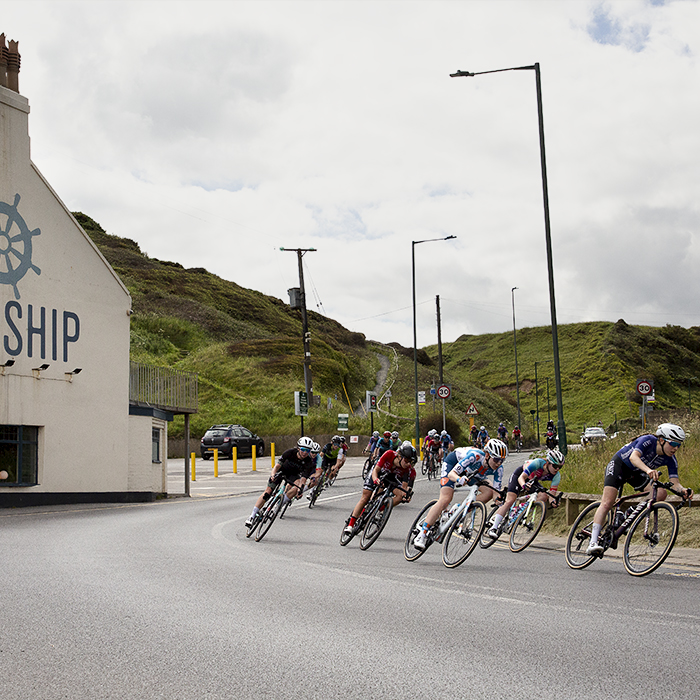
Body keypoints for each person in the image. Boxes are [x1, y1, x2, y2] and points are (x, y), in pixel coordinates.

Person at [585, 423, 694, 556]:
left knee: (660, 493)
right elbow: (633, 457)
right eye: (673, 444)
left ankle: (630, 512)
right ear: (661, 439)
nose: (675, 448)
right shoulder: (648, 440)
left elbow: (675, 483)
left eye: (679, 445)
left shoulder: (670, 459)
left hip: (636, 473)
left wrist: (683, 491)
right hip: (620, 465)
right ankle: (593, 542)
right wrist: (649, 470)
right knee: (607, 502)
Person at [413, 438, 508, 550]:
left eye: (502, 460)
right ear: (487, 455)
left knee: (488, 491)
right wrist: (459, 479)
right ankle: (422, 534)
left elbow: (495, 492)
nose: (498, 463)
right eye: (496, 459)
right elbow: (452, 474)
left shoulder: (499, 469)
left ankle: (459, 510)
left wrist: (500, 500)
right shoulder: (475, 456)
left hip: (472, 473)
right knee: (446, 499)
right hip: (453, 465)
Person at [343, 441, 417, 536]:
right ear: (399, 456)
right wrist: (375, 479)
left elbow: (404, 487)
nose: (408, 464)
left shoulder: (407, 468)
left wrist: (406, 495)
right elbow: (376, 470)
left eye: (410, 462)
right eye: (407, 460)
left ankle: (380, 507)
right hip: (377, 472)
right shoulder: (389, 454)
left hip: (388, 477)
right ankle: (350, 524)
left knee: (399, 495)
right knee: (365, 497)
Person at [487, 448, 564, 538]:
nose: (557, 469)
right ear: (548, 463)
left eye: (560, 467)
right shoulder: (538, 463)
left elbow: (552, 494)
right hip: (520, 476)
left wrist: (553, 502)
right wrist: (523, 485)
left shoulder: (557, 476)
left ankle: (521, 508)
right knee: (510, 500)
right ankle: (493, 528)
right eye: (555, 466)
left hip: (532, 480)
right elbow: (521, 478)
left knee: (543, 496)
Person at [245, 436, 315, 527]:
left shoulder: (308, 462)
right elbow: (277, 466)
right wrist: (273, 475)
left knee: (297, 486)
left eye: (308, 450)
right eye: (303, 449)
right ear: (298, 448)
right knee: (268, 492)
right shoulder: (289, 453)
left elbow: (303, 479)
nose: (305, 452)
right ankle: (252, 516)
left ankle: (279, 505)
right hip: (282, 471)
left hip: (293, 475)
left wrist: (300, 489)